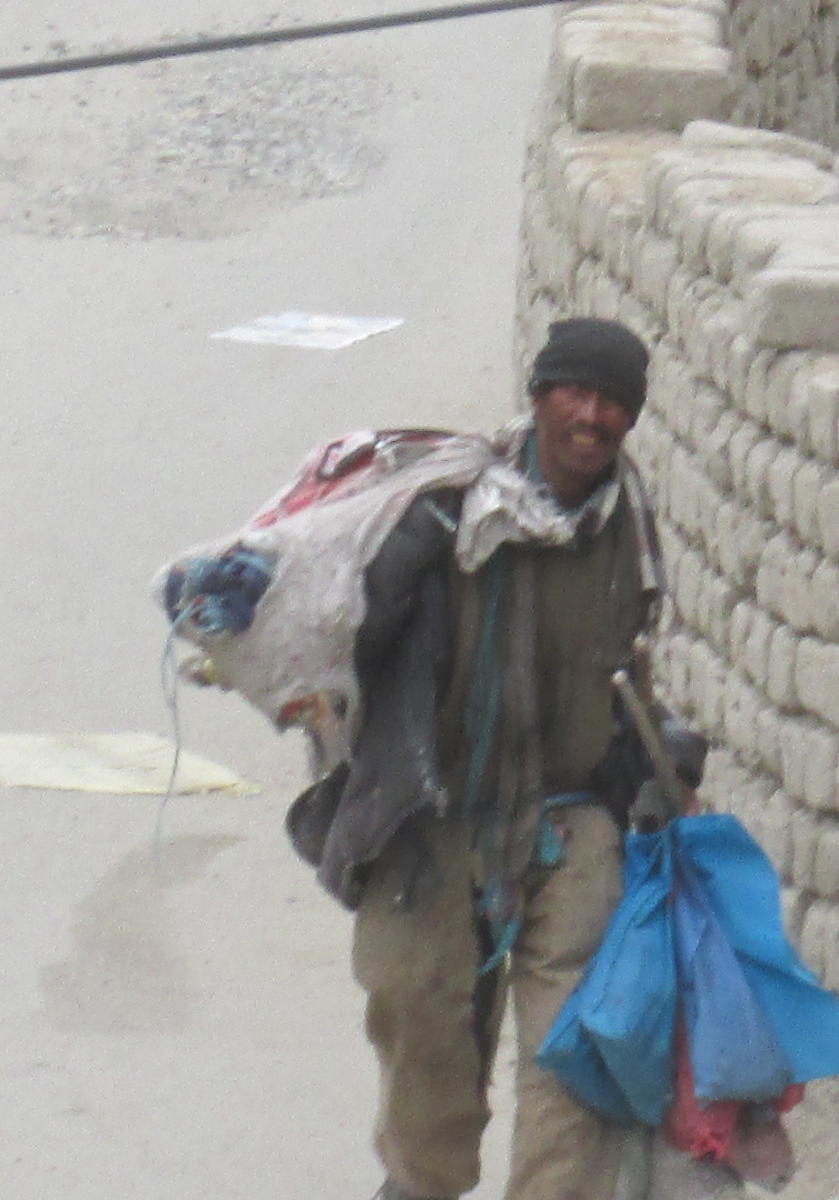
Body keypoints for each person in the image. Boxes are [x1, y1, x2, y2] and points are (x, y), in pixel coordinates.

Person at [303, 317, 674, 1200]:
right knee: (423, 1034)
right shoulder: (446, 510)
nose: (591, 415)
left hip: (571, 819)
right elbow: (347, 627)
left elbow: (631, 660)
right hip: (434, 823)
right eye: (575, 393)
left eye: (612, 400)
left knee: (576, 1058)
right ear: (540, 396)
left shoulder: (628, 525)